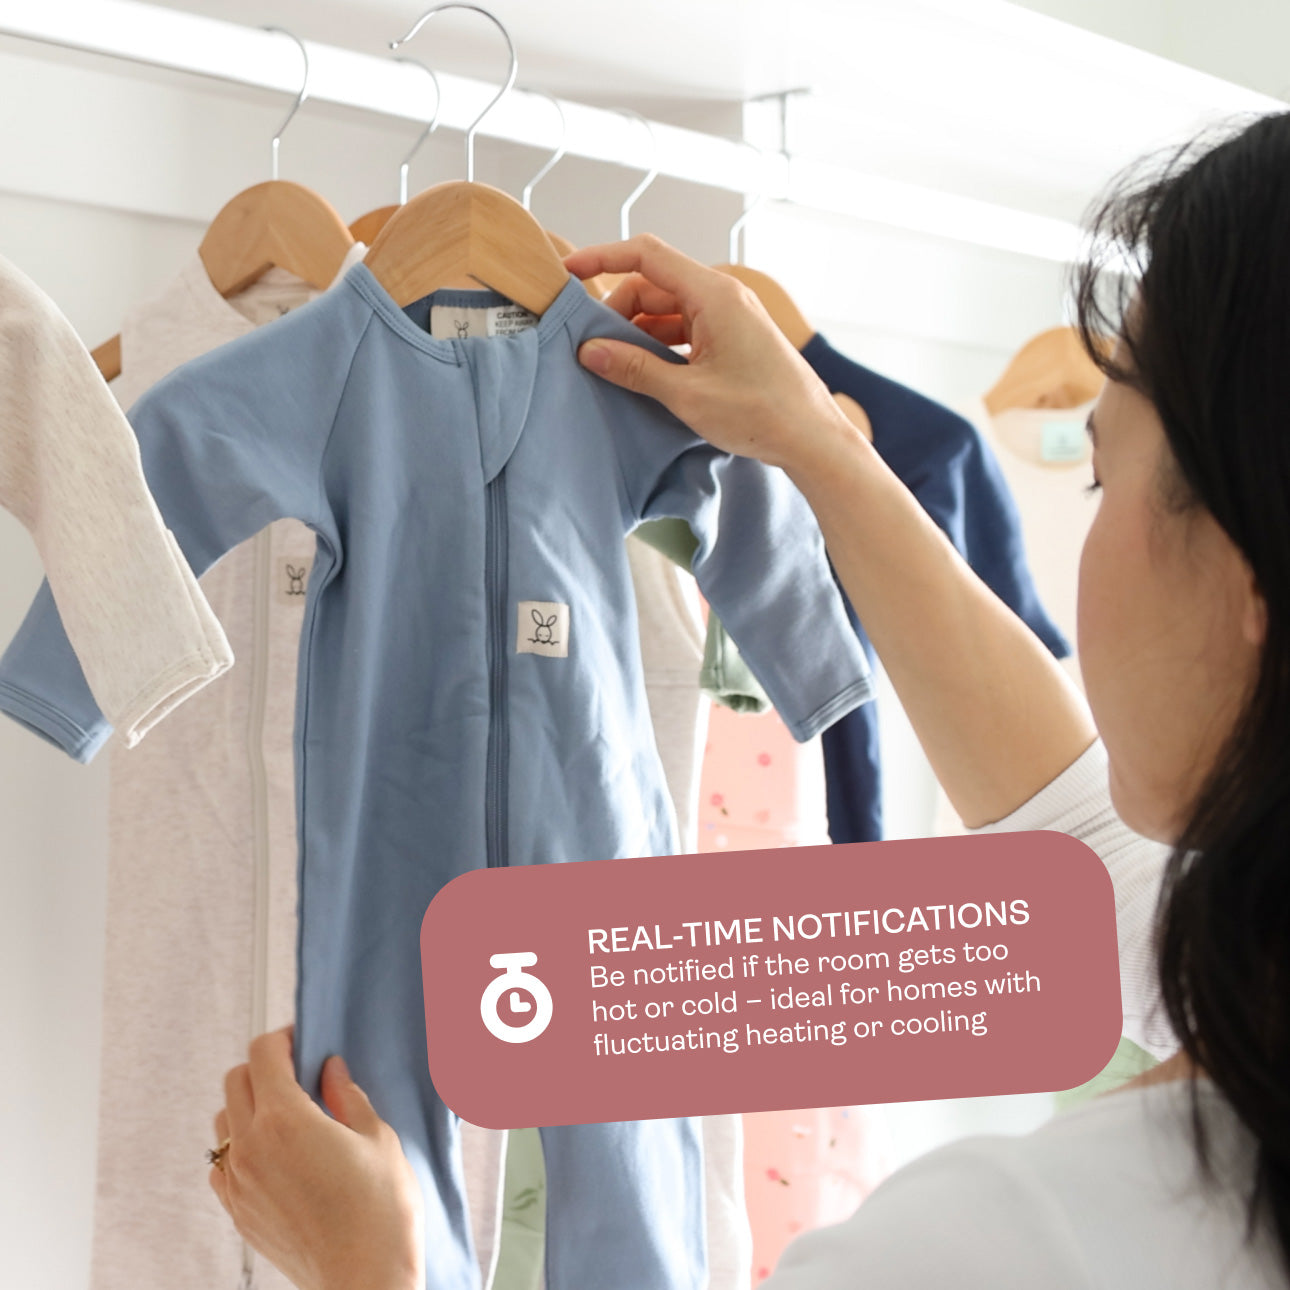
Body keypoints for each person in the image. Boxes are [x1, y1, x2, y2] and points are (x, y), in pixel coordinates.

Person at [208, 115, 1290, 1289]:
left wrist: (367, 1270)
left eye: (1100, 472)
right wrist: (813, 444)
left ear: (1248, 581)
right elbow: (1083, 844)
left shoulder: (995, 1247)